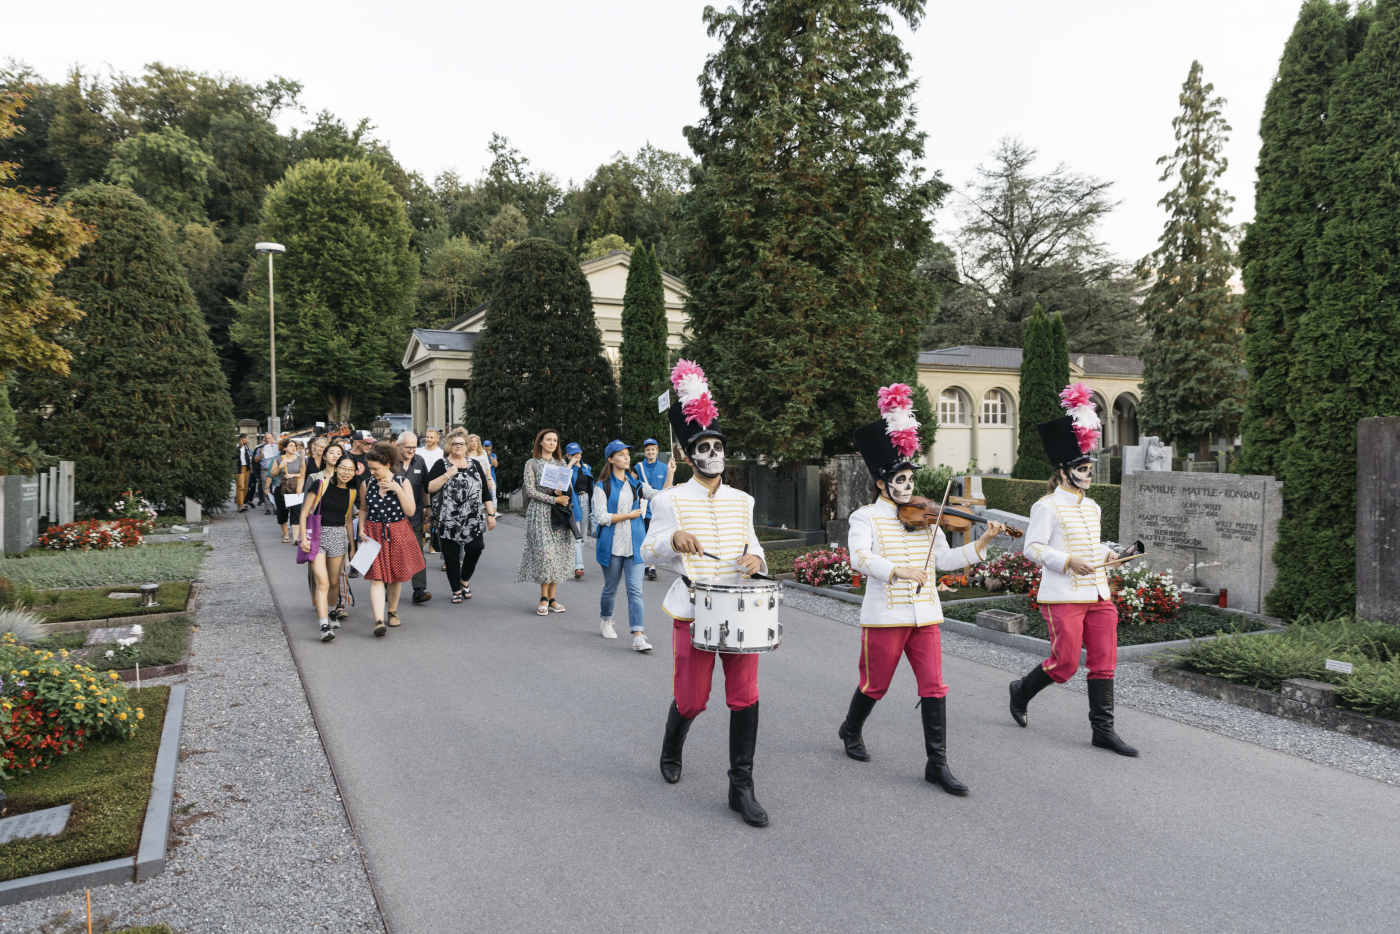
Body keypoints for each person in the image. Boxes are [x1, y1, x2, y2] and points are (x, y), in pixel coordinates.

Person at [837, 384, 1008, 797]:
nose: (908, 486)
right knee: (875, 684)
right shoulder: (865, 518)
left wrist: (980, 545)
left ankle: (937, 764)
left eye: (911, 478)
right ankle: (851, 728)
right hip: (885, 616)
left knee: (934, 685)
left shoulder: (928, 516)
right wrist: (898, 570)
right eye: (900, 479)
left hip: (926, 615)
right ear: (882, 483)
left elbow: (943, 562)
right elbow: (858, 559)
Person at [642, 360, 769, 828]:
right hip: (695, 607)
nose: (712, 452)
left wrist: (757, 559)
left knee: (745, 695)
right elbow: (647, 550)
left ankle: (741, 787)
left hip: (743, 608)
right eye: (704, 446)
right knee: (693, 698)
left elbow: (752, 545)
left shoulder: (744, 500)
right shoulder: (669, 499)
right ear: (691, 453)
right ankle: (673, 743)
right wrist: (671, 540)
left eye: (717, 445)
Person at [1008, 383, 1139, 757]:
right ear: (1064, 472)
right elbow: (1032, 548)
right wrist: (1067, 561)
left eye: (1089, 467)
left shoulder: (1093, 507)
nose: (1089, 473)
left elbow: (1089, 545)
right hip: (1063, 593)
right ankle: (1021, 690)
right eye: (1083, 468)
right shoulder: (1047, 506)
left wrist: (1110, 554)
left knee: (1104, 660)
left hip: (1098, 592)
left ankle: (1103, 730)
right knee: (1064, 664)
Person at [593, 440, 673, 652]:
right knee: (610, 589)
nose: (626, 457)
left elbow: (659, 496)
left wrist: (671, 474)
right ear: (610, 459)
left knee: (635, 590)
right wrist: (629, 515)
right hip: (611, 547)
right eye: (621, 454)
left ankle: (638, 635)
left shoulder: (636, 484)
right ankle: (606, 620)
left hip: (636, 545)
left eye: (627, 454)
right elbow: (601, 517)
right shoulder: (602, 487)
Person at [356, 440, 425, 637]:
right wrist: (361, 529)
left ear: (387, 464)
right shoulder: (366, 484)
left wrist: (396, 489)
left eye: (375, 468)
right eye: (369, 468)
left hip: (398, 532)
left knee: (396, 576)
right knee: (376, 578)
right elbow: (363, 510)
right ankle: (378, 620)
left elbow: (410, 511)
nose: (371, 472)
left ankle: (392, 611)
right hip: (374, 534)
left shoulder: (403, 482)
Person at [427, 431, 496, 603]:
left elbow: (485, 492)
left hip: (473, 517)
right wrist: (447, 474)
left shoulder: (474, 464)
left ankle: (464, 579)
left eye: (462, 444)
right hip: (448, 518)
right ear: (449, 446)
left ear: (466, 446)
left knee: (476, 547)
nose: (459, 446)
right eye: (455, 444)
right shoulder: (441, 464)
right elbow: (429, 487)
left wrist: (491, 514)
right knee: (451, 556)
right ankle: (456, 589)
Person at [300, 455, 359, 642]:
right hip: (317, 536)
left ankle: (332, 611)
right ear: (335, 467)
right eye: (343, 468)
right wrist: (303, 537)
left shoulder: (351, 492)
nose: (346, 473)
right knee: (323, 581)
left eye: (350, 469)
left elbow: (349, 521)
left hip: (338, 537)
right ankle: (324, 625)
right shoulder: (320, 485)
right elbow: (303, 513)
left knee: (334, 582)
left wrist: (352, 546)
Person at [516, 428, 575, 616]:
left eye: (555, 441)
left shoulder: (561, 463)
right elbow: (531, 492)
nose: (552, 443)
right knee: (545, 555)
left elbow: (567, 487)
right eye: (548, 439)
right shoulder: (531, 463)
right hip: (539, 513)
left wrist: (562, 494)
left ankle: (552, 598)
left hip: (558, 513)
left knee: (556, 554)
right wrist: (553, 499)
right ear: (540, 441)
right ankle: (543, 597)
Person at [396, 431, 432, 605]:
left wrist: (427, 506)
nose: (411, 450)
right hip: (393, 516)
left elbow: (424, 484)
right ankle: (389, 588)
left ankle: (419, 590)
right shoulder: (389, 462)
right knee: (393, 553)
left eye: (414, 447)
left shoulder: (419, 460)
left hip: (416, 515)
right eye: (408, 447)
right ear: (398, 446)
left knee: (416, 552)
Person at [636, 439, 668, 580]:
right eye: (648, 449)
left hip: (660, 508)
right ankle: (651, 566)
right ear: (645, 451)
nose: (650, 452)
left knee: (656, 537)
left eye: (653, 449)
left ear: (657, 450)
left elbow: (669, 485)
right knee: (648, 536)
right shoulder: (639, 466)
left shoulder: (665, 467)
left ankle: (648, 564)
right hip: (645, 509)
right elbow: (632, 484)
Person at [565, 442, 594, 580]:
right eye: (573, 453)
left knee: (583, 536)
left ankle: (575, 562)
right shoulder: (567, 468)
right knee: (576, 536)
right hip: (574, 502)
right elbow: (564, 479)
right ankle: (578, 566)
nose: (576, 455)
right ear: (568, 455)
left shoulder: (587, 467)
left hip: (586, 500)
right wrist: (571, 464)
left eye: (578, 453)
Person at [418, 428, 444, 554]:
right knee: (423, 515)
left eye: (431, 437)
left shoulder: (441, 453)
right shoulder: (419, 451)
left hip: (436, 487)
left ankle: (433, 544)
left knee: (435, 516)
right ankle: (421, 542)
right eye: (427, 437)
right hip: (421, 487)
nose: (428, 439)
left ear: (437, 439)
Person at [465, 435, 496, 502]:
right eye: (472, 441)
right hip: (471, 480)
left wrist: (489, 479)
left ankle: (492, 512)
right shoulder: (466, 453)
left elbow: (487, 466)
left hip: (484, 478)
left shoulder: (483, 452)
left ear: (478, 443)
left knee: (489, 498)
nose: (474, 443)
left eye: (476, 441)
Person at [258, 432, 279, 512]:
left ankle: (275, 507)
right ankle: (268, 508)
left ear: (272, 439)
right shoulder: (260, 448)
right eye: (266, 438)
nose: (267, 440)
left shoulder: (277, 448)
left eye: (269, 438)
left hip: (275, 471)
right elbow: (256, 460)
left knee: (274, 489)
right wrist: (261, 453)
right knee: (266, 489)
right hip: (265, 471)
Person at [236, 436, 255, 512]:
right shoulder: (236, 446)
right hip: (239, 468)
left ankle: (243, 504)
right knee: (240, 486)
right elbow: (234, 456)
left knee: (246, 487)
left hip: (246, 468)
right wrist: (240, 447)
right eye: (247, 438)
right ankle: (240, 505)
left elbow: (248, 457)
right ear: (241, 439)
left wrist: (250, 468)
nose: (248, 440)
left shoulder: (246, 446)